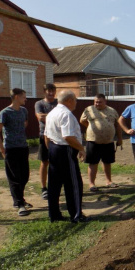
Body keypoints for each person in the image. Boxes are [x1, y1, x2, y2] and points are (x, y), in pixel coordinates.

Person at [44, 90, 89, 223]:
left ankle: (54, 214)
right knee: (73, 184)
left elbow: (46, 135)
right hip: (65, 150)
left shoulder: (52, 113)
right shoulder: (66, 114)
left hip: (53, 148)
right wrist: (81, 148)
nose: (76, 102)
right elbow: (68, 136)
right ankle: (76, 215)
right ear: (69, 100)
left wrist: (52, 150)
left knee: (54, 184)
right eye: (75, 99)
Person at [0, 88, 32, 216]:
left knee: (24, 175)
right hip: (10, 148)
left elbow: (24, 124)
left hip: (23, 147)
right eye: (23, 97)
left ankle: (18, 199)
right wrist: (2, 149)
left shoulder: (24, 111)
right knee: (14, 177)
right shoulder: (5, 112)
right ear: (16, 97)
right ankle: (20, 204)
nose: (25, 99)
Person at [80, 94, 123, 191]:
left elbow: (118, 125)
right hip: (93, 141)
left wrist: (120, 139)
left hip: (108, 142)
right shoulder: (89, 110)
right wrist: (91, 128)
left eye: (100, 102)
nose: (97, 104)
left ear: (105, 102)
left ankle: (109, 181)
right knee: (92, 163)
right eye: (95, 102)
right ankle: (92, 184)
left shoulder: (112, 111)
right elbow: (82, 121)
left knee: (107, 162)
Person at [35, 83, 58, 200]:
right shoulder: (39, 103)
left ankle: (55, 186)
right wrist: (56, 115)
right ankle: (44, 188)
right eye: (49, 91)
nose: (51, 93)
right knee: (45, 162)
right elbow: (40, 117)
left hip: (58, 136)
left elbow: (65, 115)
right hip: (44, 135)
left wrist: (48, 116)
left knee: (57, 162)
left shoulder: (59, 102)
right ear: (44, 91)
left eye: (53, 90)